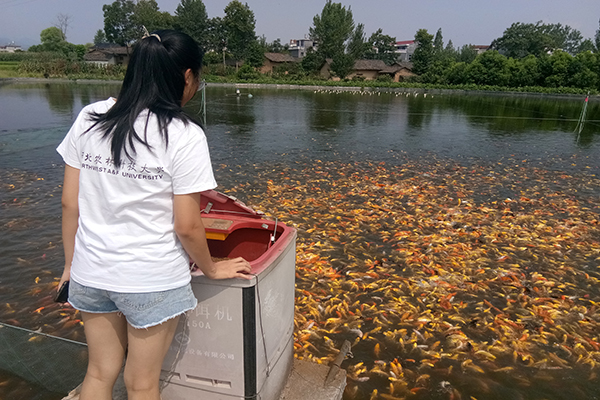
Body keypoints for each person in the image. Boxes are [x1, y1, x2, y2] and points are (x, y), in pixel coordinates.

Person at [56, 30, 252, 400]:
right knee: (142, 384)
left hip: (90, 271)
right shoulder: (184, 135)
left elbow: (70, 203)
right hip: (150, 278)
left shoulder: (90, 117)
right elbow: (187, 225)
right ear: (187, 77)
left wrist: (70, 266)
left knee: (98, 373)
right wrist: (212, 269)